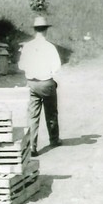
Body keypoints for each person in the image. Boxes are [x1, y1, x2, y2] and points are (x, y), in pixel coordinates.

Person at [18, 15, 62, 157]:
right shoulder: (50, 47)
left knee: (33, 116)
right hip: (46, 83)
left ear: (35, 30)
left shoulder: (28, 47)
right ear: (46, 30)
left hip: (32, 83)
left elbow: (21, 66)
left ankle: (32, 146)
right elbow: (57, 68)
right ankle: (54, 139)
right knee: (51, 113)